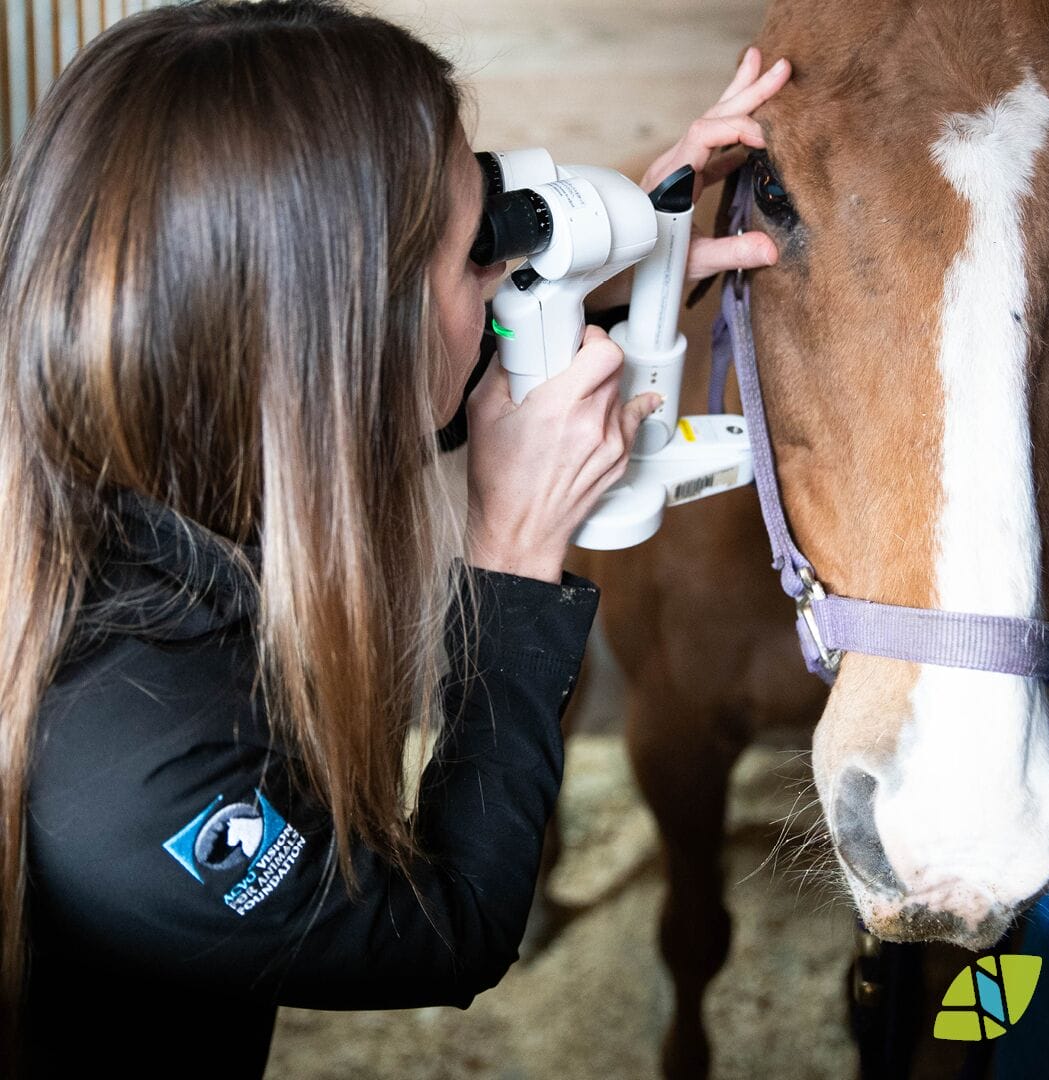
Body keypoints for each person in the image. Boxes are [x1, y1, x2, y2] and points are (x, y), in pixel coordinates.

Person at [0, 1, 789, 1074]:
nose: (505, 272)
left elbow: (404, 380)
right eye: (483, 252)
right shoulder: (139, 777)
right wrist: (512, 553)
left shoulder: (141, 439)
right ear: (346, 337)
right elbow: (447, 925)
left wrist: (631, 255)